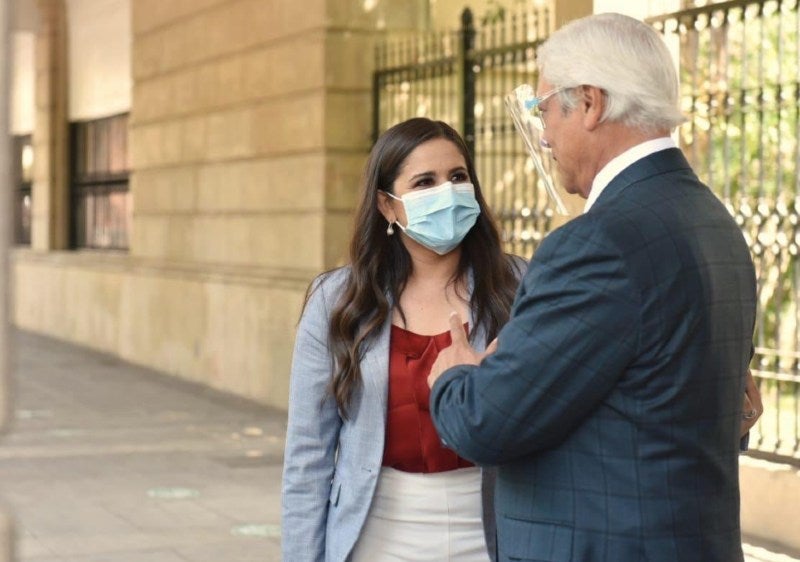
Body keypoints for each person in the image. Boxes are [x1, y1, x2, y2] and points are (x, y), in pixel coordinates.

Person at [427, 13, 758, 562]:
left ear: (589, 103)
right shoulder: (714, 222)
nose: (544, 134)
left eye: (543, 109)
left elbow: (489, 423)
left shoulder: (597, 244)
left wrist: (456, 376)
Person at [281, 117, 525, 562]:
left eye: (457, 177)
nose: (447, 192)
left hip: (493, 529)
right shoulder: (337, 301)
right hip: (377, 531)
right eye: (424, 182)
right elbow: (308, 453)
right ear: (387, 206)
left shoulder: (519, 286)